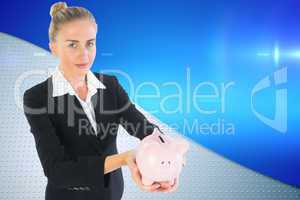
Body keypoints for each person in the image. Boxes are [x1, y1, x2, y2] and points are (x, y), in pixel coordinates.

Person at [22, 2, 177, 200]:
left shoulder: (110, 85)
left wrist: (171, 160)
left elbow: (142, 127)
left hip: (112, 194)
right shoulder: (37, 97)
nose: (84, 54)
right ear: (53, 47)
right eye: (72, 44)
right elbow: (57, 171)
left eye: (90, 43)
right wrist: (123, 159)